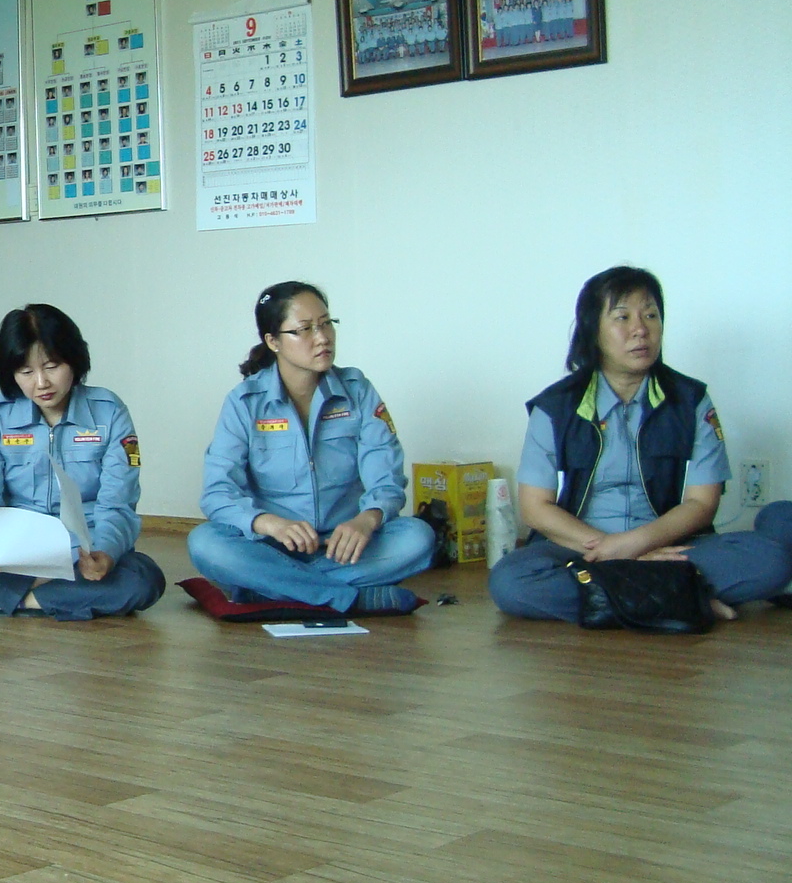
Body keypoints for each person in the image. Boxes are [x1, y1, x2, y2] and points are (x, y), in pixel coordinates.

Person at [488, 267, 792, 622]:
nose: (640, 329)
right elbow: (535, 509)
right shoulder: (555, 408)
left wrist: (634, 546)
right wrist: (613, 551)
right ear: (592, 329)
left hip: (669, 546)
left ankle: (624, 600)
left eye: (650, 315)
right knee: (510, 582)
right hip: (580, 548)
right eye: (623, 317)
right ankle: (682, 599)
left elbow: (701, 504)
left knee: (770, 559)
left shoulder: (690, 401)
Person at [188, 282, 435, 612]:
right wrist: (270, 524)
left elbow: (386, 477)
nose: (322, 338)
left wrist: (367, 519)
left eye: (326, 323)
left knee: (418, 538)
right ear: (273, 341)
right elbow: (218, 493)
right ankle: (346, 597)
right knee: (205, 543)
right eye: (304, 329)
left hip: (344, 546)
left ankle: (273, 588)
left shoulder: (357, 391)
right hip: (272, 546)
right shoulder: (245, 403)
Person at [0, 304, 163, 619]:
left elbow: (119, 501)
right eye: (26, 372)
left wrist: (105, 553)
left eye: (52, 366)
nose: (41, 382)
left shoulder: (109, 412)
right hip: (14, 553)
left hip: (84, 553)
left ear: (74, 360)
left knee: (144, 580)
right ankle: (51, 598)